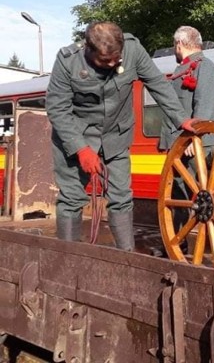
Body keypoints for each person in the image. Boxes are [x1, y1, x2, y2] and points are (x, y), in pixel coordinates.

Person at [46, 21, 197, 251]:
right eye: (105, 61)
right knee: (71, 199)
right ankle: (68, 258)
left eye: (117, 58)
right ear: (89, 49)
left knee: (122, 197)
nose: (113, 63)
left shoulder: (133, 50)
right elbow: (57, 108)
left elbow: (157, 84)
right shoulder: (68, 61)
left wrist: (181, 118)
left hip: (116, 137)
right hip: (75, 137)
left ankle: (128, 258)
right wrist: (81, 149)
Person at [158, 26, 214, 259]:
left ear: (179, 44)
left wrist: (195, 138)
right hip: (180, 145)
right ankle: (177, 243)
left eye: (174, 45)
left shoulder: (204, 67)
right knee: (177, 195)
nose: (174, 49)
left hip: (197, 146)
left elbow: (205, 105)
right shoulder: (183, 69)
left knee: (213, 196)